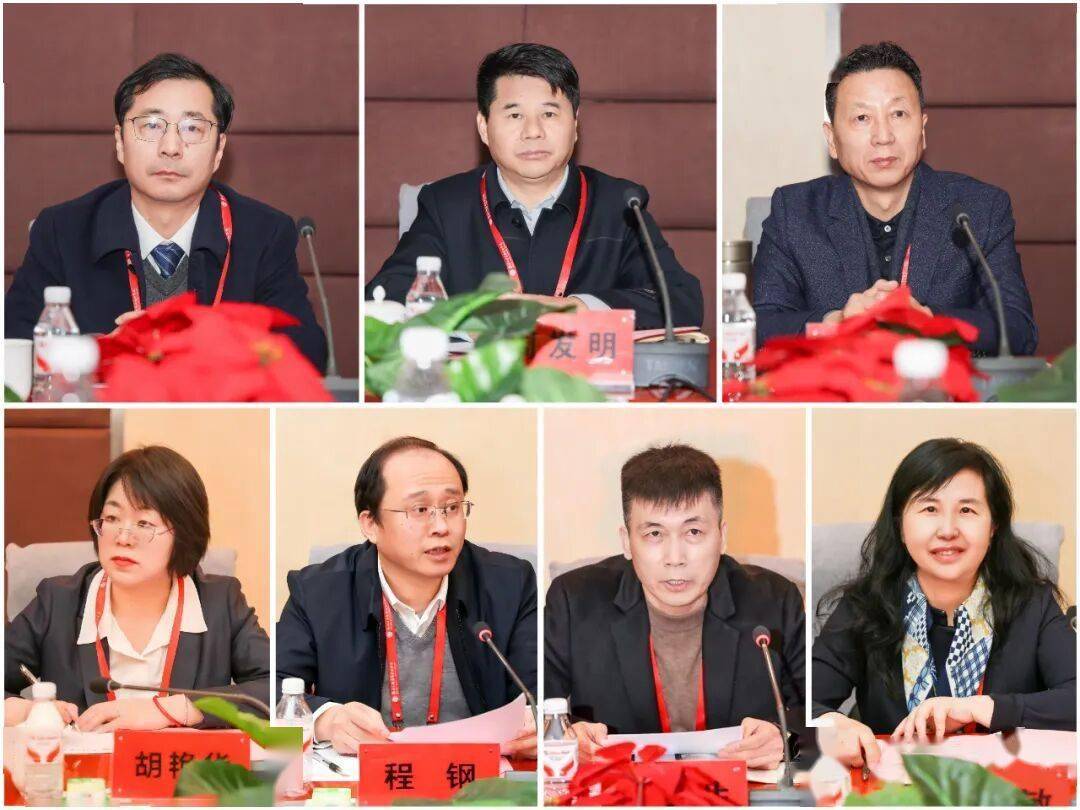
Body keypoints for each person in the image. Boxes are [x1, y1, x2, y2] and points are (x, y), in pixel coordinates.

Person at [4, 53, 328, 371]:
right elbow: (13, 343)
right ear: (120, 142)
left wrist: (200, 344)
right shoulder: (63, 231)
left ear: (218, 150)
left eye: (192, 128)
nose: (170, 147)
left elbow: (305, 352)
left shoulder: (264, 233)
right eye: (151, 125)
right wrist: (102, 353)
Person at [365, 43, 704, 331]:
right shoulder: (445, 205)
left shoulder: (620, 205)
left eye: (549, 114)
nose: (533, 131)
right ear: (484, 127)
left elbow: (681, 300)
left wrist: (574, 309)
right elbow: (383, 297)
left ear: (575, 125)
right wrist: (475, 315)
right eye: (514, 115)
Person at [753, 42, 1037, 356]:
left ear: (923, 130)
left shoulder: (979, 209)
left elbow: (1017, 328)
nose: (883, 136)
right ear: (832, 140)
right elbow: (759, 328)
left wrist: (928, 322)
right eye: (862, 118)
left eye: (898, 114)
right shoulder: (794, 212)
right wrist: (837, 323)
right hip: (835, 387)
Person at [813, 439, 1075, 768]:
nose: (948, 530)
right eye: (929, 509)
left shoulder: (1033, 605)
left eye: (967, 510)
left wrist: (981, 708)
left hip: (1004, 787)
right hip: (894, 787)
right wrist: (831, 725)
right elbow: (802, 703)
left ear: (993, 526)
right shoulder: (864, 606)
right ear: (900, 525)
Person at [545, 444, 805, 769]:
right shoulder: (575, 601)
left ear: (722, 537)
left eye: (693, 532)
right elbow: (534, 709)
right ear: (627, 541)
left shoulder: (774, 601)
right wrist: (564, 735)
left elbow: (814, 713)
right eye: (654, 533)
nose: (675, 558)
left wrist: (786, 737)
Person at [276, 436, 537, 757]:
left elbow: (540, 688)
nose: (441, 526)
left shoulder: (510, 583)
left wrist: (535, 721)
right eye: (420, 509)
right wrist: (326, 719)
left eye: (452, 507)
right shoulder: (318, 591)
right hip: (363, 776)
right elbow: (272, 686)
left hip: (479, 774)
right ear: (370, 524)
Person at [4, 446, 270, 729]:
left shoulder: (221, 603)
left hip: (182, 760)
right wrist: (28, 711)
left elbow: (275, 688)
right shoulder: (57, 601)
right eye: (112, 518)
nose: (123, 537)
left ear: (185, 534)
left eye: (144, 523)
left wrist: (174, 710)